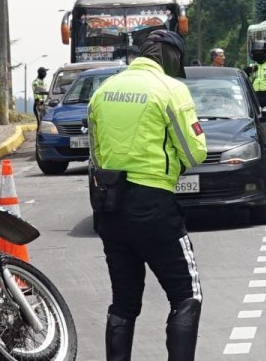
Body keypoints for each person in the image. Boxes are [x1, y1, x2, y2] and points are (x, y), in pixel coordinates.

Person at [88, 30, 208, 361]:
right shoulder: (170, 89)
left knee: (124, 302)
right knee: (186, 295)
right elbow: (194, 151)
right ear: (170, 56)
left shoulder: (104, 91)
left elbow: (96, 155)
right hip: (154, 205)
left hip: (110, 207)